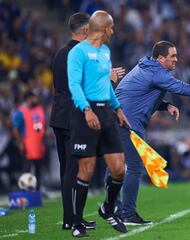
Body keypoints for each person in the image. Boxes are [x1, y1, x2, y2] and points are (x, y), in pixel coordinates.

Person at [114, 40, 190, 225]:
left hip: (116, 119)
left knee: (115, 166)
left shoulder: (143, 66)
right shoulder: (158, 73)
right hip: (128, 123)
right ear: (160, 58)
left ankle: (112, 206)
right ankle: (127, 214)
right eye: (172, 56)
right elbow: (186, 89)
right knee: (134, 168)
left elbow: (137, 94)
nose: (176, 59)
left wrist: (165, 105)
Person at [67, 10, 130, 238]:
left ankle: (108, 208)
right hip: (85, 113)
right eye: (111, 28)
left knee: (118, 168)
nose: (113, 32)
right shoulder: (78, 53)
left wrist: (118, 108)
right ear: (104, 29)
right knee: (87, 169)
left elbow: (105, 84)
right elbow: (74, 85)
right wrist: (86, 109)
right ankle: (77, 223)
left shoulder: (105, 51)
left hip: (106, 112)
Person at [50, 12, 97, 231]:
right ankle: (70, 219)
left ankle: (75, 216)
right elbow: (77, 85)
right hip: (71, 117)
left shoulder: (61, 52)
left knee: (71, 169)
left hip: (60, 115)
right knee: (72, 169)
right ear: (86, 30)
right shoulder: (77, 54)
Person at [12, 91, 45, 191]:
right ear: (28, 98)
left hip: (38, 145)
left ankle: (38, 190)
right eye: (33, 98)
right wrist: (20, 143)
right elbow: (15, 129)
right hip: (27, 145)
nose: (35, 100)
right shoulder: (20, 112)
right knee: (27, 169)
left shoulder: (37, 110)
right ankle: (24, 190)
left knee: (38, 169)